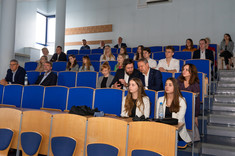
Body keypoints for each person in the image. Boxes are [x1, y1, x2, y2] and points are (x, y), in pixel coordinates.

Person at [156, 78, 191, 143]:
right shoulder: (160, 99)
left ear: (175, 87)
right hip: (163, 129)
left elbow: (179, 120)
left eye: (170, 85)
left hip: (176, 130)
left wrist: (168, 129)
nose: (167, 87)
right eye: (166, 85)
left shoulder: (181, 101)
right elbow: (158, 118)